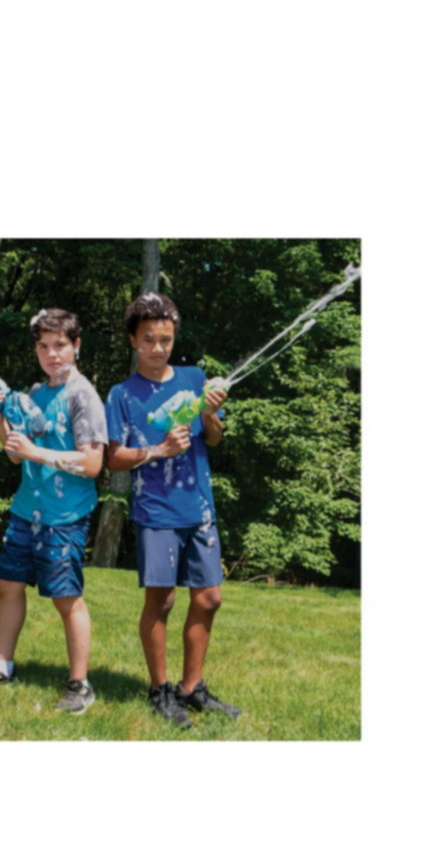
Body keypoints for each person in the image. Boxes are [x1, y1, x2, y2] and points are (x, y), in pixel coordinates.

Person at [0, 308, 108, 714]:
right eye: (43, 346)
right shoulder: (36, 394)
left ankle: (80, 685)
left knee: (66, 598)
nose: (52, 354)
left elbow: (93, 463)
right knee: (8, 583)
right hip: (28, 509)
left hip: (65, 516)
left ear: (76, 346)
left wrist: (34, 452)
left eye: (60, 345)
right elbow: (15, 454)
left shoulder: (83, 396)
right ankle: (1, 667)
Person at [105, 292, 241, 729]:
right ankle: (160, 690)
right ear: (133, 340)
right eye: (148, 339)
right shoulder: (122, 395)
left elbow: (213, 438)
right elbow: (112, 458)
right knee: (161, 601)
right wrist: (158, 450)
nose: (158, 348)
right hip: (156, 511)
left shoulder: (193, 378)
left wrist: (212, 414)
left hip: (199, 508)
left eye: (165, 339)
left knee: (210, 597)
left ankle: (191, 687)